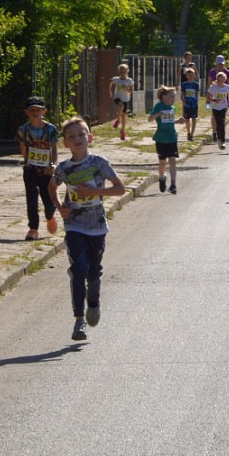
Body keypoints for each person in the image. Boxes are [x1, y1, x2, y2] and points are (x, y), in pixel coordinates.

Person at [50, 117, 126, 341]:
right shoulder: (64, 168)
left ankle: (94, 301)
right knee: (79, 269)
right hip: (74, 224)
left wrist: (95, 193)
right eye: (71, 136)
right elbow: (51, 186)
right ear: (65, 143)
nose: (77, 139)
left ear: (89, 138)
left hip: (97, 225)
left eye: (81, 134)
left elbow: (120, 189)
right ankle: (79, 320)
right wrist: (59, 207)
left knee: (93, 272)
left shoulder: (99, 163)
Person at [16, 96, 59, 241]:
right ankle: (33, 228)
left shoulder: (51, 129)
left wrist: (53, 164)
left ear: (44, 112)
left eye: (38, 110)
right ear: (27, 112)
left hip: (46, 169)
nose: (35, 113)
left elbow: (54, 148)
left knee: (48, 199)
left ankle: (50, 216)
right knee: (31, 198)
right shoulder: (23, 129)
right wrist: (27, 161)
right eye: (32, 110)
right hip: (30, 168)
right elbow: (23, 148)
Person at [148, 86, 185, 194]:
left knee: (172, 161)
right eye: (171, 96)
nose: (173, 99)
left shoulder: (172, 108)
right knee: (162, 163)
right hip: (161, 138)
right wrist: (157, 114)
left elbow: (169, 121)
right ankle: (162, 177)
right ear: (164, 97)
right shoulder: (158, 106)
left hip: (172, 137)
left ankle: (173, 184)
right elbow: (150, 119)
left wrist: (178, 121)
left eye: (174, 97)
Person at [206, 71, 229, 150]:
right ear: (217, 80)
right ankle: (219, 139)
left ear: (225, 80)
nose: (221, 82)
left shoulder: (228, 87)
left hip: (223, 107)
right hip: (215, 107)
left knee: (222, 123)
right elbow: (208, 98)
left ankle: (223, 141)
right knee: (218, 123)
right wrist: (214, 100)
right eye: (219, 80)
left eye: (222, 80)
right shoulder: (213, 87)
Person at [109, 63, 135, 141]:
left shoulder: (129, 80)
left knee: (123, 115)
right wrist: (110, 91)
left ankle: (123, 131)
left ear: (127, 72)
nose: (122, 74)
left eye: (124, 72)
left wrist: (126, 89)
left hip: (125, 99)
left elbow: (132, 91)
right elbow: (110, 82)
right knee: (121, 106)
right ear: (119, 72)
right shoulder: (116, 79)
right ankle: (118, 120)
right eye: (121, 72)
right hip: (117, 97)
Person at [180, 68, 201, 142]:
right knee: (187, 120)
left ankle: (192, 134)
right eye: (188, 75)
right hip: (187, 105)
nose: (190, 77)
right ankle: (188, 132)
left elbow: (197, 95)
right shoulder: (184, 84)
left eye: (191, 75)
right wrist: (183, 101)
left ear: (194, 75)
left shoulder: (196, 85)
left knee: (194, 119)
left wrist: (197, 102)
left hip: (194, 105)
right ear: (186, 76)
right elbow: (182, 95)